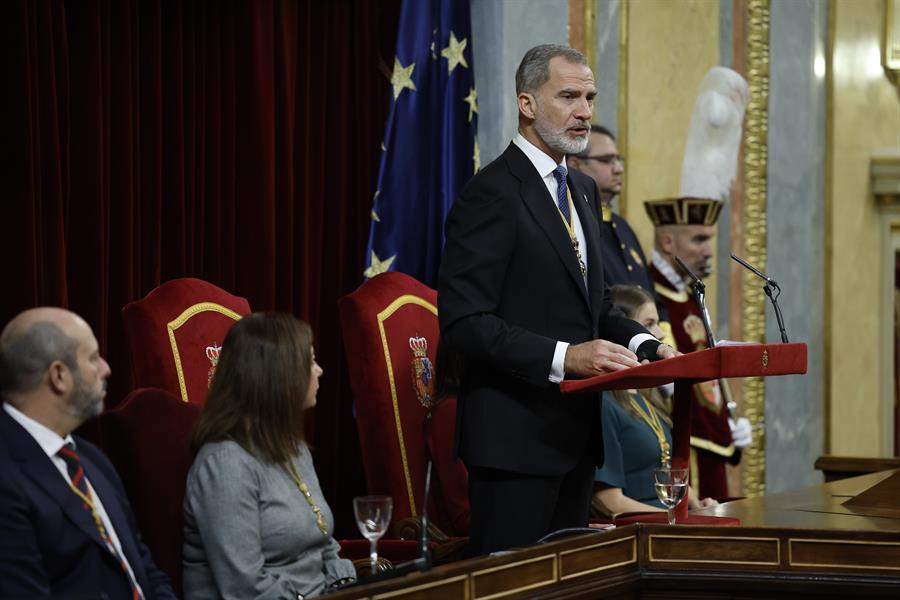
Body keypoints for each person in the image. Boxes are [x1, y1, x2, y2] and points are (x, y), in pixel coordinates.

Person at [438, 44, 677, 556]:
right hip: (513, 445)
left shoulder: (583, 190)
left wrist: (647, 344)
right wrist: (566, 357)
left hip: (577, 443)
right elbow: (465, 322)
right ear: (527, 104)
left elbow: (594, 307)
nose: (584, 111)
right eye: (568, 95)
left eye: (589, 97)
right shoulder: (491, 193)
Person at [0, 307, 177, 599]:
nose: (106, 368)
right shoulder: (7, 476)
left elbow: (145, 568)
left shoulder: (91, 458)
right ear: (59, 376)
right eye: (93, 358)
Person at [182, 312, 355, 599]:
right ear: (279, 376)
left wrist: (347, 588)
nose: (320, 370)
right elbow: (244, 588)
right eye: (310, 361)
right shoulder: (226, 464)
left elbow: (323, 543)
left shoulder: (293, 447)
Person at [645, 197, 753, 499]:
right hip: (678, 445)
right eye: (699, 239)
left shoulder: (689, 293)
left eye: (710, 239)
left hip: (708, 440)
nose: (708, 250)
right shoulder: (650, 296)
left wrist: (727, 422)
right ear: (667, 242)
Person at [593, 285, 717, 516]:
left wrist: (698, 506)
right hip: (634, 533)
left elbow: (663, 468)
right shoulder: (604, 404)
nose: (660, 334)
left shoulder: (646, 396)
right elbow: (608, 502)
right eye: (648, 325)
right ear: (621, 332)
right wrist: (674, 517)